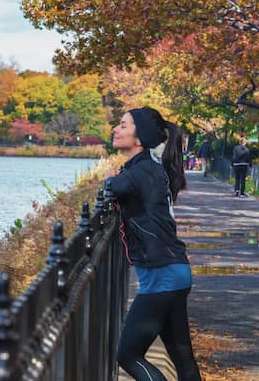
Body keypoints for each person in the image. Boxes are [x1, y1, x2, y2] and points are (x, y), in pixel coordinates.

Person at [106, 107, 201, 381]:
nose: (116, 129)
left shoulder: (141, 172)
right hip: (174, 272)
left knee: (128, 354)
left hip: (161, 277)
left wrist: (110, 181)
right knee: (184, 361)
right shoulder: (149, 168)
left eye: (123, 125)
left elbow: (118, 187)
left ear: (140, 138)